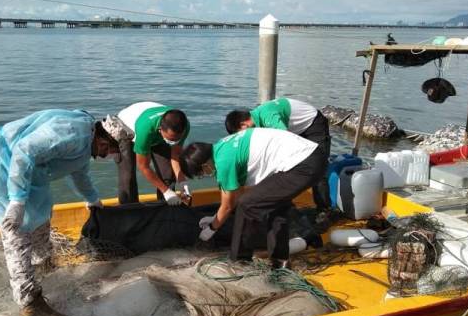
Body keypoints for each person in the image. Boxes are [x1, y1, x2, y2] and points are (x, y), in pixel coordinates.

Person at [0, 109, 119, 316]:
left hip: (30, 174)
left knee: (41, 216)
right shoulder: (73, 133)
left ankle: (43, 267)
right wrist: (16, 201)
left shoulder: (87, 143)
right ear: (103, 138)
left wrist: (92, 199)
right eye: (108, 150)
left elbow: (79, 173)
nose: (106, 155)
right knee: (17, 231)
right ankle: (30, 304)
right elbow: (24, 152)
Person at [179, 127, 326, 267]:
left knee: (247, 204)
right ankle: (280, 260)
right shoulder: (222, 147)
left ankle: (240, 261)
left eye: (200, 174)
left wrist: (212, 228)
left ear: (205, 165)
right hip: (312, 157)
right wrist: (215, 217)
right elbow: (234, 195)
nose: (203, 176)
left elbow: (229, 205)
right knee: (274, 207)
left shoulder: (223, 162)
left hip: (302, 165)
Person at [224, 98, 331, 210]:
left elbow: (284, 143)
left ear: (244, 125)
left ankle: (324, 209)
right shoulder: (258, 120)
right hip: (296, 128)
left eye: (242, 134)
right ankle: (285, 204)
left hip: (314, 123)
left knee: (319, 167)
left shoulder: (268, 117)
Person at [103, 101, 190, 205]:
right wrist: (166, 191)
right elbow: (144, 166)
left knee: (167, 173)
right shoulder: (145, 130)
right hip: (126, 128)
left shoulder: (183, 127)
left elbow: (175, 155)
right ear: (160, 130)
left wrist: (182, 181)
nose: (174, 142)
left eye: (177, 139)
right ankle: (130, 210)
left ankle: (166, 206)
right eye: (171, 140)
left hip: (153, 128)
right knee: (128, 174)